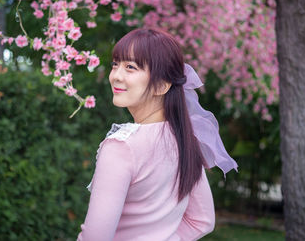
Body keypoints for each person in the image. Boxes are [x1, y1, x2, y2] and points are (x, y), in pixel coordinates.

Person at [77, 28, 238, 241]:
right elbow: (202, 221)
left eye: (130, 67)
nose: (116, 76)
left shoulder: (121, 147)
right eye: (115, 64)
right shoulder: (185, 139)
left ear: (162, 85)